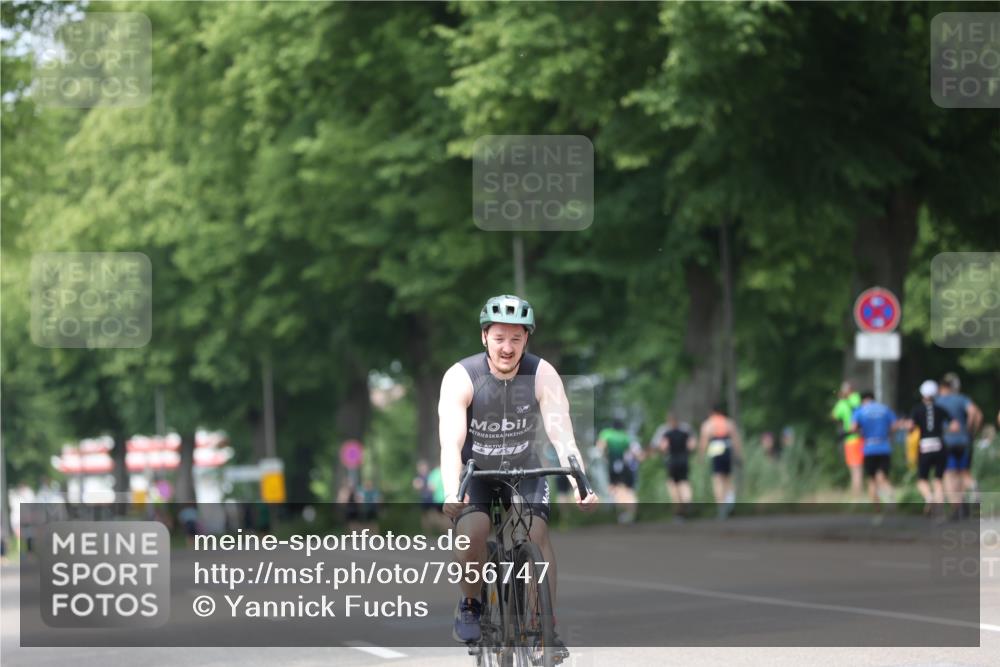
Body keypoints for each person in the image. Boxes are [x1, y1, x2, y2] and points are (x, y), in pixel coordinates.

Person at [438, 294, 598, 656]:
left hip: (524, 468)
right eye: (499, 338)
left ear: (527, 338)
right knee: (473, 533)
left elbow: (562, 435)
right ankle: (470, 602)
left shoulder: (542, 373)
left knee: (535, 532)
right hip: (475, 472)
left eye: (516, 338)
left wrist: (580, 483)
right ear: (484, 337)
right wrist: (452, 490)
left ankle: (544, 629)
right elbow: (451, 442)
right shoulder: (462, 376)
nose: (507, 348)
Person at [937, 372, 983, 513]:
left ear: (941, 387)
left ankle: (957, 507)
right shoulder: (962, 398)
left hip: (947, 441)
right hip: (964, 440)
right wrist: (970, 430)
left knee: (950, 474)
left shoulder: (938, 401)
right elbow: (976, 413)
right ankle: (973, 487)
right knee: (963, 472)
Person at [905, 380, 951, 514]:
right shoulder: (941, 409)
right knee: (938, 480)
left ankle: (929, 497)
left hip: (925, 445)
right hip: (939, 444)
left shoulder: (917, 409)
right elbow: (954, 425)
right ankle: (940, 511)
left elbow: (911, 427)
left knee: (922, 479)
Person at [851, 391, 899, 512]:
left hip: (869, 449)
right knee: (883, 476)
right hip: (884, 447)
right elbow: (894, 425)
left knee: (872, 479)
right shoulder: (884, 409)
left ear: (862, 400)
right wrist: (887, 433)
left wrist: (861, 433)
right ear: (873, 398)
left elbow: (853, 428)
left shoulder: (860, 411)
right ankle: (891, 498)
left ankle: (876, 509)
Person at [698, 403, 743, 518]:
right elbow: (736, 439)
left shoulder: (708, 424)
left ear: (711, 412)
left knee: (718, 480)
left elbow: (704, 441)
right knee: (728, 479)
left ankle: (721, 508)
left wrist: (701, 456)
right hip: (727, 450)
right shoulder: (728, 422)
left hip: (716, 451)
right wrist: (739, 455)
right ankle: (730, 502)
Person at [596, 419, 637, 521]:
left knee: (617, 488)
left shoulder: (607, 433)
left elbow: (600, 448)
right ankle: (629, 512)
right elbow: (632, 452)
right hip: (624, 465)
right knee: (623, 489)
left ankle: (626, 512)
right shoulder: (625, 436)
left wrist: (604, 456)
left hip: (614, 465)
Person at [657, 413, 695, 517]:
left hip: (672, 461)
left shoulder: (666, 433)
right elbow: (691, 445)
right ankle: (687, 500)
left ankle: (679, 510)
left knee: (673, 486)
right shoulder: (685, 431)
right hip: (684, 460)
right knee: (685, 482)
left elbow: (663, 447)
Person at [831, 381, 864, 497]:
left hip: (851, 439)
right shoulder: (856, 397)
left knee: (855, 468)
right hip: (860, 437)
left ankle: (856, 494)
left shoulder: (845, 401)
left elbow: (834, 416)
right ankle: (857, 492)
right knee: (857, 467)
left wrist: (841, 401)